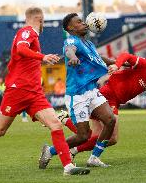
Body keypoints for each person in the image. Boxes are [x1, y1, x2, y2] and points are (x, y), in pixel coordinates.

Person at [0, 7, 89, 176]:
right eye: (43, 20)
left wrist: (41, 59)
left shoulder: (33, 36)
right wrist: (43, 57)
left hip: (34, 92)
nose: (44, 23)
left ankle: (68, 167)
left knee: (55, 124)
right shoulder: (27, 31)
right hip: (18, 90)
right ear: (40, 19)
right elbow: (20, 49)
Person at [58, 46, 146, 163]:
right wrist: (116, 65)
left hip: (115, 100)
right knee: (112, 137)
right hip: (109, 95)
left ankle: (66, 125)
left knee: (93, 135)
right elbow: (126, 55)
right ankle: (85, 155)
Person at [39, 13, 116, 169]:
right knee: (83, 136)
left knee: (110, 120)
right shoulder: (71, 40)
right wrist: (72, 56)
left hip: (92, 90)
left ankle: (94, 157)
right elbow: (69, 50)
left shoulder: (88, 44)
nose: (84, 24)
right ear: (70, 27)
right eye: (79, 22)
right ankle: (51, 150)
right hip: (77, 94)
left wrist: (118, 62)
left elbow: (99, 59)